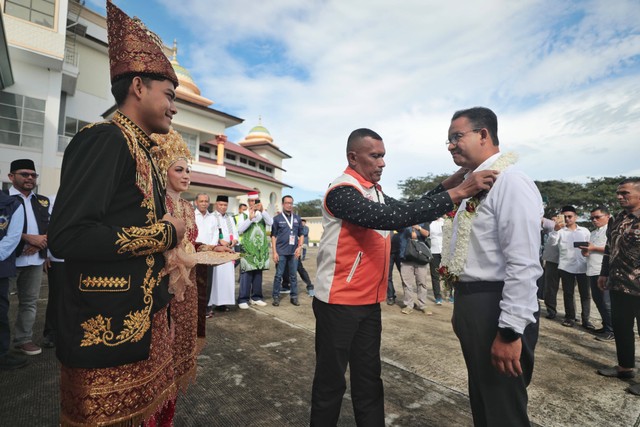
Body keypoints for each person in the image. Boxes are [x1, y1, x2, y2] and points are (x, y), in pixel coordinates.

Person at [48, 2, 186, 425]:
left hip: (142, 320)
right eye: (170, 95)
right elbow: (68, 236)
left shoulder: (144, 147)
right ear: (139, 86)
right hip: (105, 326)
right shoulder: (105, 140)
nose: (174, 107)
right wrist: (166, 235)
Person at [310, 127, 497, 426]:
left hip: (369, 303)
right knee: (331, 383)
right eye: (376, 156)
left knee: (370, 380)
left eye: (384, 156)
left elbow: (411, 209)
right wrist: (459, 192)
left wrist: (447, 185)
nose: (383, 163)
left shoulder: (375, 192)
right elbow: (392, 218)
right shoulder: (342, 191)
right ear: (353, 158)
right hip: (338, 304)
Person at [441, 107, 543, 427]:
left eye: (457, 137)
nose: (451, 145)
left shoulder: (510, 181)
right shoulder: (473, 187)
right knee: (484, 401)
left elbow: (524, 262)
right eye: (448, 140)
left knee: (503, 409)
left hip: (496, 306)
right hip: (473, 304)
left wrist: (510, 331)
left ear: (484, 134)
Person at [151, 128, 232, 393]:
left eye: (188, 171)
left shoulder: (186, 207)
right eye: (179, 170)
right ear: (164, 171)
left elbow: (190, 244)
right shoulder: (155, 204)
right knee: (162, 341)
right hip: (163, 281)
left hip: (187, 283)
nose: (186, 176)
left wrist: (211, 248)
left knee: (181, 339)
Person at [596, 178, 640, 396]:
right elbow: (608, 247)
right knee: (622, 328)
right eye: (618, 193)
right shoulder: (618, 218)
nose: (619, 196)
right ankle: (625, 367)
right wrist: (604, 272)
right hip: (618, 284)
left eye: (625, 193)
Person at [7, 158, 49, 356]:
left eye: (33, 175)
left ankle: (23, 339)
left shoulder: (42, 201)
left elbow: (49, 226)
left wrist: (41, 241)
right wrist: (26, 238)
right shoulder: (3, 198)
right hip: (8, 260)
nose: (30, 178)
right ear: (11, 176)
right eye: (24, 174)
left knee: (29, 302)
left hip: (34, 260)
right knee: (3, 303)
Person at [548, 205, 594, 329]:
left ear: (576, 217)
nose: (568, 219)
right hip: (566, 266)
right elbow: (552, 243)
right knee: (568, 293)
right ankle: (570, 317)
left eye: (570, 216)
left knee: (585, 294)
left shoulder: (585, 231)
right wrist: (555, 230)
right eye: (565, 216)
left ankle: (586, 320)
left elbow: (590, 246)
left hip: (583, 266)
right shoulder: (559, 231)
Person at [0, 188, 26, 369]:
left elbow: (13, 238)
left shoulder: (12, 205)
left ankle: (2, 355)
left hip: (0, 267)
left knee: (0, 312)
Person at [581, 206, 613, 341]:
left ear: (608, 216)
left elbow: (611, 249)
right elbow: (590, 251)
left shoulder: (611, 231)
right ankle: (606, 326)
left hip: (603, 271)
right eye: (592, 218)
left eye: (597, 217)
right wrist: (586, 251)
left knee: (607, 302)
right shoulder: (593, 233)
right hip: (592, 270)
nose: (594, 220)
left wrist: (593, 248)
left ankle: (612, 330)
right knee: (598, 300)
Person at [236, 192, 272, 309]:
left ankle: (256, 297)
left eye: (256, 201)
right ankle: (243, 298)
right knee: (246, 273)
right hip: (246, 248)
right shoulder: (243, 215)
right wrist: (250, 220)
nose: (254, 203)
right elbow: (240, 230)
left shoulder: (263, 214)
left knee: (258, 274)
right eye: (251, 201)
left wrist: (262, 211)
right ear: (248, 202)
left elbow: (270, 223)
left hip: (260, 249)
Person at [271, 195, 304, 306]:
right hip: (281, 252)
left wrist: (299, 248)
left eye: (291, 203)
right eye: (287, 203)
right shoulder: (277, 219)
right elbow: (273, 236)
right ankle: (276, 296)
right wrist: (274, 252)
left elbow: (301, 234)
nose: (289, 205)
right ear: (283, 204)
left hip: (293, 252)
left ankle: (294, 297)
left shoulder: (297, 219)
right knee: (278, 275)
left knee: (293, 276)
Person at [208, 195, 238, 312]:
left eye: (225, 205)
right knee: (216, 278)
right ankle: (212, 302)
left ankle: (223, 303)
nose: (223, 207)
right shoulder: (211, 217)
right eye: (221, 204)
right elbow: (210, 233)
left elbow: (235, 233)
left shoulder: (230, 218)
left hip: (229, 250)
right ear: (216, 204)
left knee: (227, 278)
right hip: (217, 251)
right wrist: (220, 241)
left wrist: (234, 240)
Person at [42, 195, 64, 349]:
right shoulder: (51, 200)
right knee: (56, 296)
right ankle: (51, 332)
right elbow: (45, 227)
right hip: (57, 258)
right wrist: (46, 254)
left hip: (80, 257)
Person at [398, 223, 431, 314]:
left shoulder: (424, 222)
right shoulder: (403, 221)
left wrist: (418, 228)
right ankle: (409, 305)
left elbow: (427, 234)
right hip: (406, 258)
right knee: (407, 284)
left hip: (421, 259)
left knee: (422, 283)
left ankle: (423, 305)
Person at [194, 193, 216, 322]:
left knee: (207, 283)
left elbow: (214, 234)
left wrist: (211, 247)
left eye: (206, 201)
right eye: (201, 201)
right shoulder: (191, 216)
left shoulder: (212, 217)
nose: (204, 203)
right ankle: (195, 309)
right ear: (196, 202)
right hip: (195, 254)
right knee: (195, 282)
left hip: (209, 254)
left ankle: (205, 308)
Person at [542, 216, 561, 319]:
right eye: (554, 220)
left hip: (568, 263)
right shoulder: (549, 231)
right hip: (551, 261)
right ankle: (551, 311)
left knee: (569, 291)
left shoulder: (576, 231)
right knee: (550, 288)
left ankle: (571, 314)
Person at [426, 217, 445, 305]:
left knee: (449, 272)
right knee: (435, 275)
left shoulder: (445, 221)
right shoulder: (429, 222)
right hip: (433, 251)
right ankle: (437, 296)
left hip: (445, 250)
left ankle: (451, 293)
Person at [386, 231, 402, 305]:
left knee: (404, 276)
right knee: (388, 276)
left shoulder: (400, 224)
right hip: (388, 253)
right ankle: (391, 296)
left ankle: (408, 299)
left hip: (400, 253)